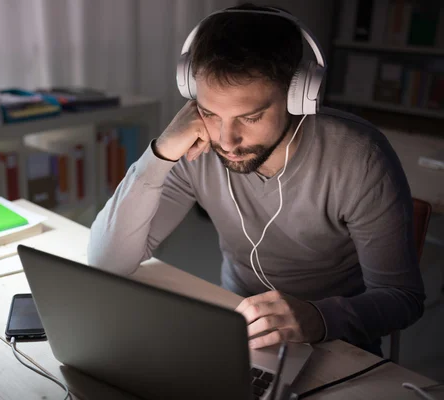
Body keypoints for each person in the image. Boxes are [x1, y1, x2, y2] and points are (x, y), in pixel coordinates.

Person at [87, 3, 425, 356]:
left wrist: (318, 318)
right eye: (210, 112)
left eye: (250, 117)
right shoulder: (195, 146)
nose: (226, 140)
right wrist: (160, 154)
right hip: (236, 332)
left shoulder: (360, 158)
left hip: (335, 344)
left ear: (299, 96)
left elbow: (403, 299)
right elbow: (106, 262)